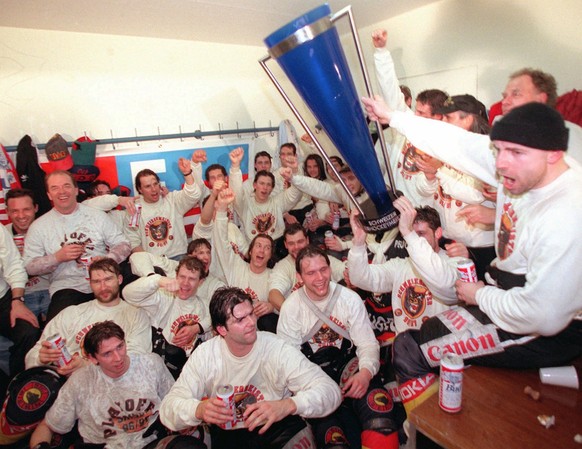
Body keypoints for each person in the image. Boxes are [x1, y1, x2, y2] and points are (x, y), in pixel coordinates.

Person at [361, 96, 582, 415]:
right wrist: (395, 117)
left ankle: (428, 431)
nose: (501, 164)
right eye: (500, 150)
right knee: (426, 328)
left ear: (554, 156)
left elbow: (542, 316)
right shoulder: (518, 163)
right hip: (507, 288)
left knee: (409, 349)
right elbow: (458, 144)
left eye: (515, 154)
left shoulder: (565, 215)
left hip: (544, 329)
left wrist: (481, 295)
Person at [159, 287, 342, 449]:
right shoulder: (206, 355)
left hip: (277, 427)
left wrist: (289, 405)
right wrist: (198, 409)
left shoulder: (276, 347)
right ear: (222, 329)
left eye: (251, 314)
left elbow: (330, 391)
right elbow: (168, 409)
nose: (251, 322)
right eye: (240, 319)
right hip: (230, 435)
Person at [0, 258, 151, 445]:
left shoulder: (135, 314)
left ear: (120, 279)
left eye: (108, 279)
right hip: (61, 387)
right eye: (96, 281)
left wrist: (86, 365)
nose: (103, 286)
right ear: (89, 283)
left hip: (109, 390)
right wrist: (41, 357)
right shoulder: (71, 313)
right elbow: (32, 355)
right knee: (29, 398)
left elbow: (137, 358)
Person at [277, 246, 400, 449]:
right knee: (332, 437)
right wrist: (317, 391)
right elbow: (289, 362)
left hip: (347, 363)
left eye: (323, 269)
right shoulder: (291, 308)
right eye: (311, 273)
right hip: (312, 372)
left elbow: (367, 343)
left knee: (378, 410)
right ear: (299, 277)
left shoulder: (349, 299)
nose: (320, 278)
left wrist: (365, 373)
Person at [29, 321, 206, 449]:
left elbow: (175, 404)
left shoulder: (151, 363)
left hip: (149, 441)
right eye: (107, 354)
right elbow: (48, 426)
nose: (118, 357)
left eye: (120, 347)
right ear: (92, 358)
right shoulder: (80, 381)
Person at [23, 170, 131, 322]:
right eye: (55, 188)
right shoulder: (39, 226)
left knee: (134, 301)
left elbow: (124, 244)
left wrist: (107, 260)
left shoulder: (96, 215)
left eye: (66, 186)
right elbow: (29, 266)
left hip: (104, 281)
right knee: (58, 328)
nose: (62, 192)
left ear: (75, 190)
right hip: (68, 287)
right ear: (48, 194)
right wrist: (57, 257)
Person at [347, 199, 457, 334]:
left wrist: (409, 233)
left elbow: (444, 285)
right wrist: (358, 242)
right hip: (406, 348)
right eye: (412, 235)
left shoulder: (455, 262)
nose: (415, 239)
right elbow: (359, 278)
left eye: (421, 234)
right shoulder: (400, 265)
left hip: (442, 348)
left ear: (438, 233)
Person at [371, 28, 448, 206]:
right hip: (394, 201)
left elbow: (429, 187)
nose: (415, 115)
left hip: (420, 211)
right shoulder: (409, 122)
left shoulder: (443, 144)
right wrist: (381, 52)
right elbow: (391, 91)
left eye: (421, 113)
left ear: (437, 117)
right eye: (416, 110)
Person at [123, 256, 211, 378]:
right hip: (163, 372)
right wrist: (158, 280)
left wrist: (197, 328)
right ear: (176, 276)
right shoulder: (163, 298)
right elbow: (128, 294)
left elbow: (219, 319)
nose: (185, 283)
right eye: (182, 277)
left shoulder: (205, 305)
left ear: (200, 282)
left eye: (191, 279)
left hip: (195, 372)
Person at [213, 188, 277, 332]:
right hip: (235, 332)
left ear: (271, 254)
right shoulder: (235, 266)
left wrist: (272, 307)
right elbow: (221, 240)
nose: (261, 250)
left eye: (267, 248)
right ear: (250, 250)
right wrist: (222, 209)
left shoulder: (275, 275)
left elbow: (288, 303)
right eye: (258, 246)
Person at [228, 147, 302, 259]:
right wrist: (235, 166)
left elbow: (295, 193)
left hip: (278, 246)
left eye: (268, 185)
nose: (265, 187)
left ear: (272, 188)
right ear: (254, 185)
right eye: (261, 183)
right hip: (255, 247)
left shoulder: (277, 201)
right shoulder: (245, 204)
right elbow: (236, 192)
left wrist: (295, 172)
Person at [127, 161, 201, 260]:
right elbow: (133, 241)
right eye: (148, 186)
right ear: (140, 189)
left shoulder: (171, 199)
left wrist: (187, 174)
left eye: (155, 184)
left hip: (179, 256)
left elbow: (194, 195)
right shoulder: (135, 209)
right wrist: (148, 263)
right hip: (154, 260)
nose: (154, 189)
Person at [268, 223, 345, 312]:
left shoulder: (321, 258)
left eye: (300, 241)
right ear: (285, 245)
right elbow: (273, 295)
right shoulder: (282, 266)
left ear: (307, 240)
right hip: (299, 315)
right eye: (291, 243)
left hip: (327, 313)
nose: (296, 247)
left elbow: (345, 271)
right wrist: (293, 314)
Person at [5, 189, 50, 321]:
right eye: (15, 211)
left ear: (35, 208)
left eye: (26, 209)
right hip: (17, 296)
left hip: (50, 290)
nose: (21, 215)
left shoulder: (49, 228)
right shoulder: (4, 234)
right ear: (7, 212)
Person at [0, 224, 39, 378]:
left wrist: (17, 301)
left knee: (28, 331)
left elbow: (14, 266)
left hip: (3, 298)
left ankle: (19, 384)